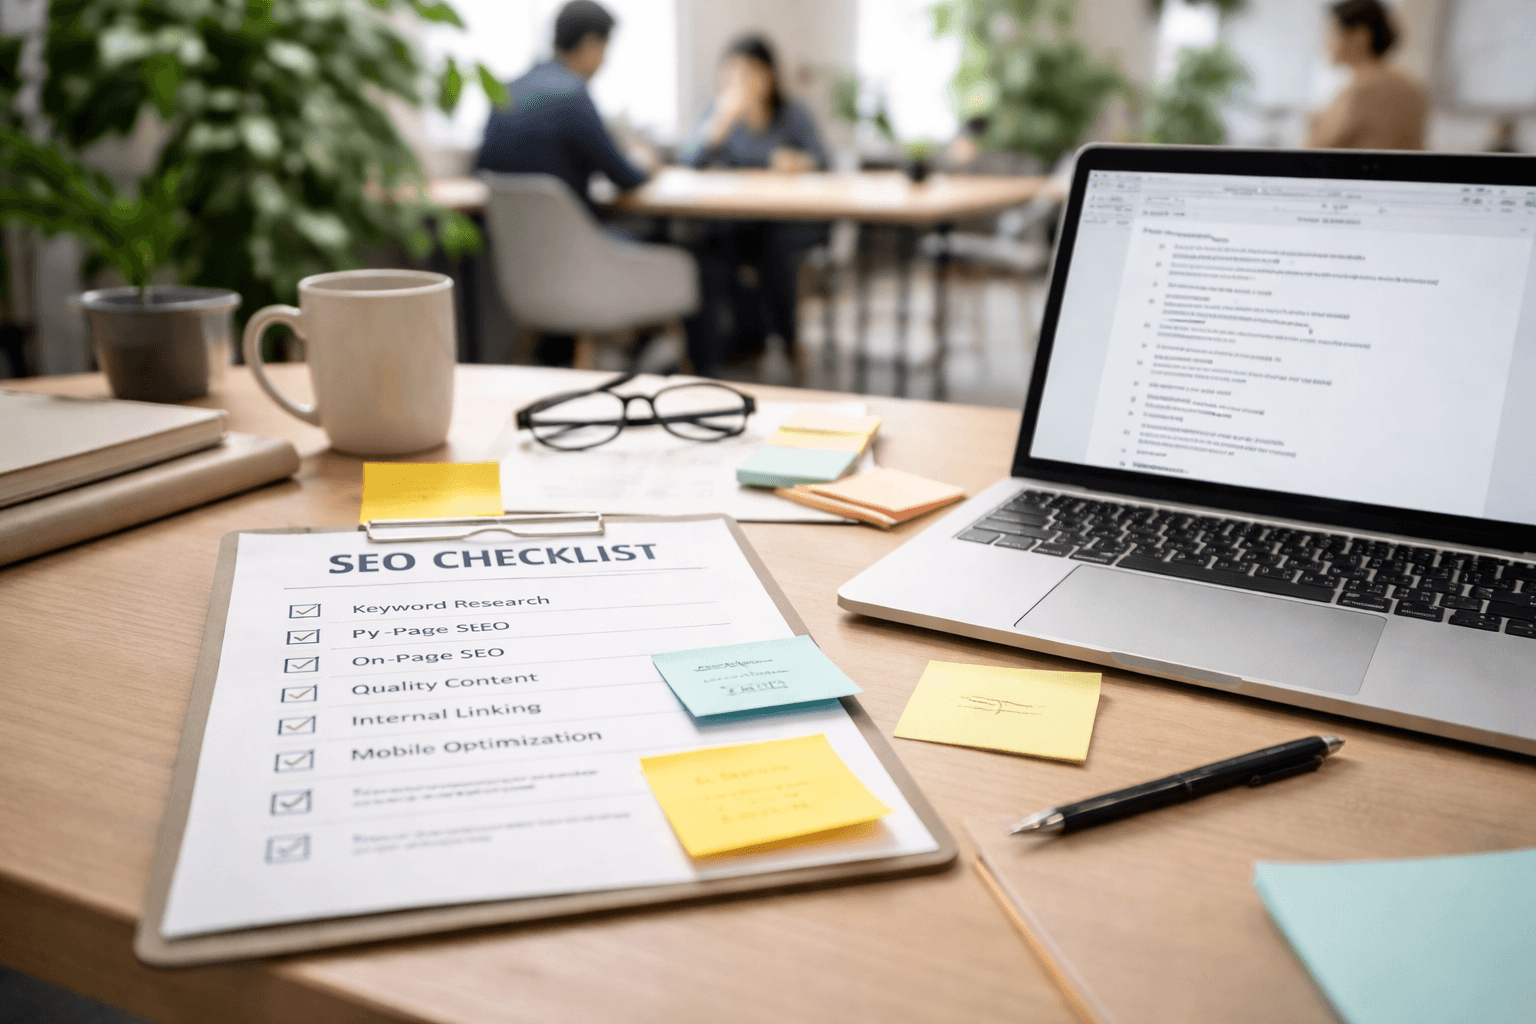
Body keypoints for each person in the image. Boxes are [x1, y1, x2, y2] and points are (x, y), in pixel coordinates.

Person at [476, 0, 650, 365]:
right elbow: (625, 177)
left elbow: (482, 168)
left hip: (519, 271)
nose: (604, 61)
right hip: (578, 263)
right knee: (671, 245)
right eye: (605, 49)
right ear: (589, 44)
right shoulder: (573, 96)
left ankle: (557, 356)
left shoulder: (503, 91)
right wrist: (648, 163)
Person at [677, 35, 829, 378]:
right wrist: (720, 123)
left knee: (772, 251)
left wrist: (799, 162)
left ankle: (787, 341)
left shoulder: (791, 114)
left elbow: (823, 160)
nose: (739, 81)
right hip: (733, 221)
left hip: (785, 222)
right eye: (731, 72)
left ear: (769, 75)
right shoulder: (720, 114)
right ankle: (720, 351)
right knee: (704, 249)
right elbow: (689, 160)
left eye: (749, 72)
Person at [1306, 0, 1427, 150]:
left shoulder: (1363, 90)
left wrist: (1314, 124)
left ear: (1359, 36)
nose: (1326, 42)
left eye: (1332, 32)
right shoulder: (1411, 85)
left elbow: (1313, 149)